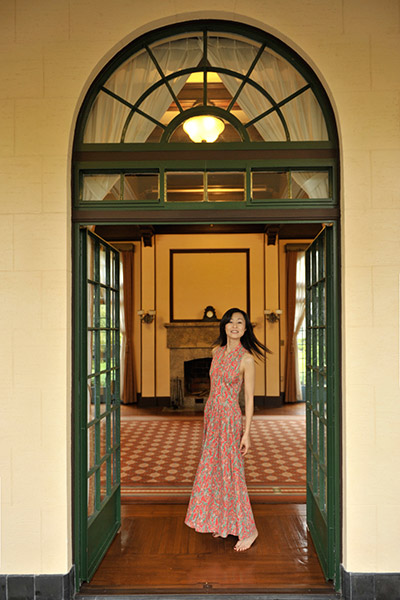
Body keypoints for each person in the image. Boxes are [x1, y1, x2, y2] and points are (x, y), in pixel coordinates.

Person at [185, 307, 269, 551]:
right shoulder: (216, 352)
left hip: (230, 418)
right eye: (230, 322)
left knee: (232, 471)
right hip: (212, 416)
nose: (234, 326)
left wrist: (247, 433)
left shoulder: (246, 359)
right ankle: (223, 522)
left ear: (245, 328)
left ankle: (249, 530)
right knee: (214, 468)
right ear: (224, 326)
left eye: (240, 322)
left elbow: (249, 399)